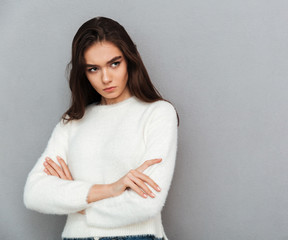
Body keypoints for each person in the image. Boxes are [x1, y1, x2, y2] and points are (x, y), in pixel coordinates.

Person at [23, 16, 178, 240]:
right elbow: (34, 193)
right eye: (94, 69)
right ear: (83, 73)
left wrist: (76, 202)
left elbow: (146, 204)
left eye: (115, 63)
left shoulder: (157, 113)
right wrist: (112, 188)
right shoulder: (72, 122)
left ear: (130, 60)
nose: (106, 78)